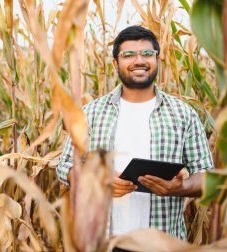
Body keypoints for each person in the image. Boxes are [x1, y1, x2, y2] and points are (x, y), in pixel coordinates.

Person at [56, 25, 213, 240]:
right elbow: (65, 166)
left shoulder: (183, 114)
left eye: (147, 54)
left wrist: (180, 187)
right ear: (116, 62)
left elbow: (207, 175)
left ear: (157, 59)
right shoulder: (91, 113)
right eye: (128, 55)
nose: (139, 61)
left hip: (162, 242)